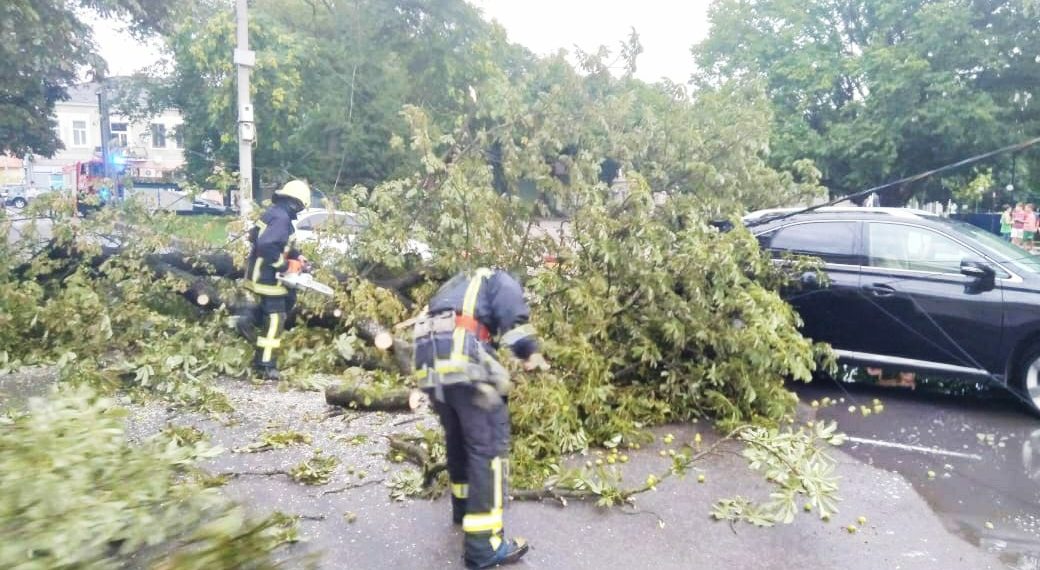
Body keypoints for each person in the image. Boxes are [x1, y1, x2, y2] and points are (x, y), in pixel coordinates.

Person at [411, 268, 548, 569]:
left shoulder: (457, 282)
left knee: (458, 438)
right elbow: (514, 321)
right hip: (462, 359)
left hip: (428, 364)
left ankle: (463, 512)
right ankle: (484, 546)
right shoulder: (500, 278)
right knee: (487, 450)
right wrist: (530, 355)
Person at [237, 180, 311, 381]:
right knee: (276, 319)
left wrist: (297, 256)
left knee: (279, 307)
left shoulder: (274, 213)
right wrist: (286, 266)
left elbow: (255, 236)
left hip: (258, 274)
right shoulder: (282, 219)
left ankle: (247, 318)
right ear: (297, 203)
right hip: (268, 278)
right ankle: (265, 366)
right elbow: (267, 244)